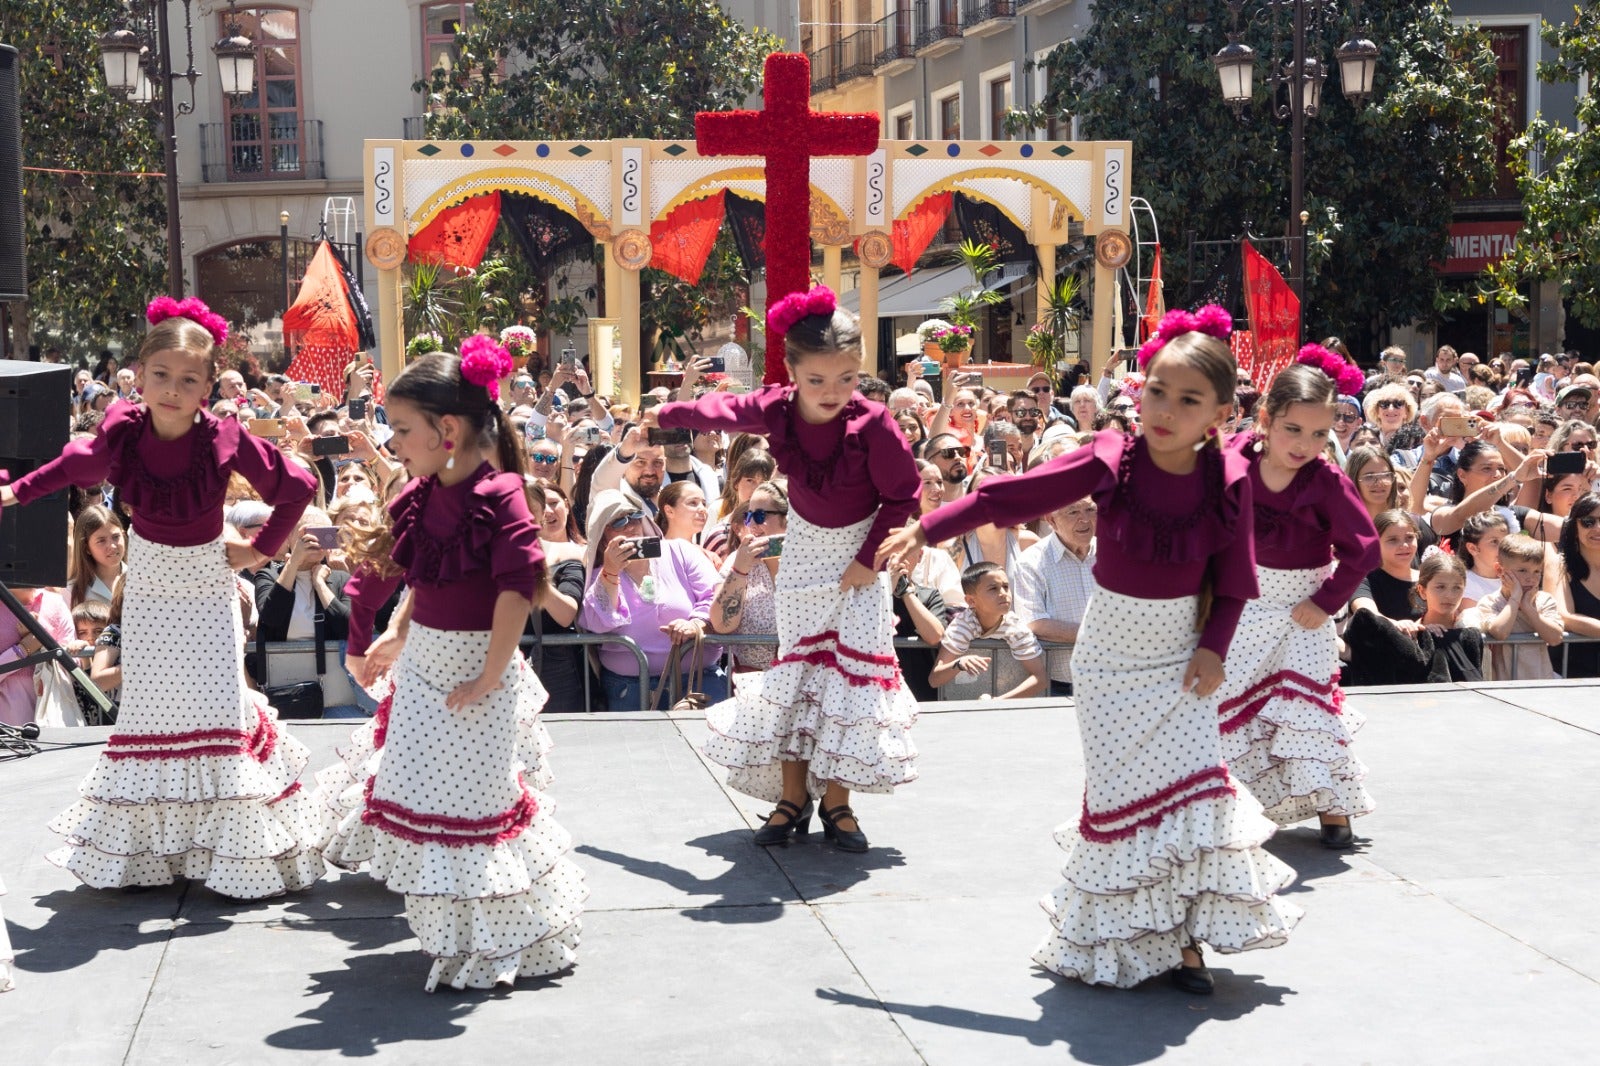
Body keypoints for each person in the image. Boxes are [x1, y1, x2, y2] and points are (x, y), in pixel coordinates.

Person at [879, 305, 1298, 994]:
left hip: (1182, 660)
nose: (1166, 409)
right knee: (1124, 800)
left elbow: (1234, 584)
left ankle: (1188, 941)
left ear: (1219, 412)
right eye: (1157, 390)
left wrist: (1215, 649)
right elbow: (1013, 494)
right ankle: (1139, 934)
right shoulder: (1111, 456)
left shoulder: (1230, 478)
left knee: (1197, 797)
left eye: (1188, 399)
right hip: (1109, 663)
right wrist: (929, 528)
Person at [0, 295, 323, 897]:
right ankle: (154, 855)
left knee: (221, 708)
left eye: (189, 379)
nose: (173, 388)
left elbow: (298, 484)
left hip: (206, 586)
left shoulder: (225, 435)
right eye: (162, 375)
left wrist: (259, 551)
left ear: (207, 387)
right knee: (150, 711)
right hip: (147, 585)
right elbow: (74, 465)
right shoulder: (122, 429)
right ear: (141, 373)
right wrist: (14, 493)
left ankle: (234, 852)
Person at [324, 343, 585, 992]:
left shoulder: (498, 496)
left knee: (478, 811)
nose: (394, 441)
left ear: (447, 431)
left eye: (402, 429)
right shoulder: (418, 497)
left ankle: (497, 934)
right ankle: (455, 935)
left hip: (476, 676)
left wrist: (493, 676)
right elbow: (400, 577)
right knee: (430, 807)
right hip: (425, 675)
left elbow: (511, 594)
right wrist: (382, 637)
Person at [649, 285, 922, 853]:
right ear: (794, 371)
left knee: (851, 683)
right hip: (802, 562)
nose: (832, 392)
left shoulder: (873, 424)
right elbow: (721, 410)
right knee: (797, 678)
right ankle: (792, 798)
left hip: (859, 568)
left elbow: (903, 498)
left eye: (846, 378)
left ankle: (838, 802)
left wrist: (867, 562)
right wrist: (668, 409)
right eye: (817, 379)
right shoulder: (776, 408)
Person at [1215, 356, 1379, 850]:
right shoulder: (1230, 460)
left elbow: (1365, 549)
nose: (1304, 445)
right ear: (1264, 417)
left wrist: (1327, 601)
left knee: (1310, 709)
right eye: (1293, 430)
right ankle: (1225, 809)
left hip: (1305, 611)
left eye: (1318, 433)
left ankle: (1334, 809)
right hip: (1241, 608)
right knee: (1222, 707)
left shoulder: (1326, 481)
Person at [578, 490, 725, 710]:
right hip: (631, 689)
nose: (630, 526)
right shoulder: (600, 574)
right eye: (618, 521)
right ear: (602, 536)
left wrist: (696, 623)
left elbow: (715, 595)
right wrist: (611, 571)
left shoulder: (680, 551)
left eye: (635, 516)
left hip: (698, 681)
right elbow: (598, 622)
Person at [1013, 497, 1097, 698]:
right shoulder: (1031, 562)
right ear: (1051, 520)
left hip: (1114, 680)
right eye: (1073, 512)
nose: (1085, 519)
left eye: (1090, 510)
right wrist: (1098, 635)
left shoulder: (1115, 553)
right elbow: (1034, 622)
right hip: (1061, 685)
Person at [930, 562, 1047, 699]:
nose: (1003, 594)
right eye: (993, 589)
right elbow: (934, 679)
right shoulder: (961, 626)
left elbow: (1041, 679)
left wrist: (999, 702)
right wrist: (959, 663)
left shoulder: (1016, 628)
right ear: (971, 601)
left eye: (1005, 587)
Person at [707, 483, 790, 678]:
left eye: (760, 516)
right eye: (748, 516)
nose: (752, 525)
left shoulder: (809, 562)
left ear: (787, 518)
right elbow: (721, 624)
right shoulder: (738, 560)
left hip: (807, 681)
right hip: (752, 683)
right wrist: (740, 570)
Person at [1476, 533, 1564, 680]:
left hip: (1542, 686)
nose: (1531, 578)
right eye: (1522, 570)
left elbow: (1555, 638)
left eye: (1537, 571)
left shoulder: (1544, 600)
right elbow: (1499, 632)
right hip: (1506, 688)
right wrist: (1515, 598)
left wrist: (1529, 608)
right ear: (1500, 570)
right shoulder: (1490, 602)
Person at [1553, 493, 1600, 679]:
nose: (1597, 528)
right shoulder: (1560, 565)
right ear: (1574, 527)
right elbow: (1563, 616)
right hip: (1569, 678)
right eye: (1588, 522)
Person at [66, 504, 127, 607]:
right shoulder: (71, 591)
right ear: (87, 548)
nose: (112, 546)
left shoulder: (140, 580)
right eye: (101, 541)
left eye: (116, 537)